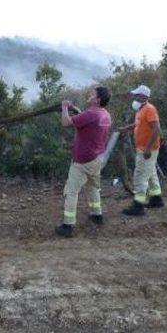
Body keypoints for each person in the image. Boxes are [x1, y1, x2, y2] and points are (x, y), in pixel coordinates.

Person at [55, 87, 112, 237]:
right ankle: (97, 214)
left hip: (83, 160)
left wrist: (64, 108)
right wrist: (76, 110)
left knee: (71, 191)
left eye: (92, 94)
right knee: (93, 187)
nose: (90, 95)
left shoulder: (91, 114)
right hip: (97, 158)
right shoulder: (105, 115)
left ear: (98, 100)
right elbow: (85, 120)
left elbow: (66, 122)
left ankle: (68, 225)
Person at [121, 84, 163, 216]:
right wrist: (126, 128)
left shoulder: (150, 109)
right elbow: (138, 124)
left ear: (144, 96)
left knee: (140, 175)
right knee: (150, 173)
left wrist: (148, 149)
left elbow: (156, 129)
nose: (134, 97)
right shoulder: (141, 110)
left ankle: (138, 206)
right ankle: (156, 199)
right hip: (143, 148)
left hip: (147, 149)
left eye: (136, 95)